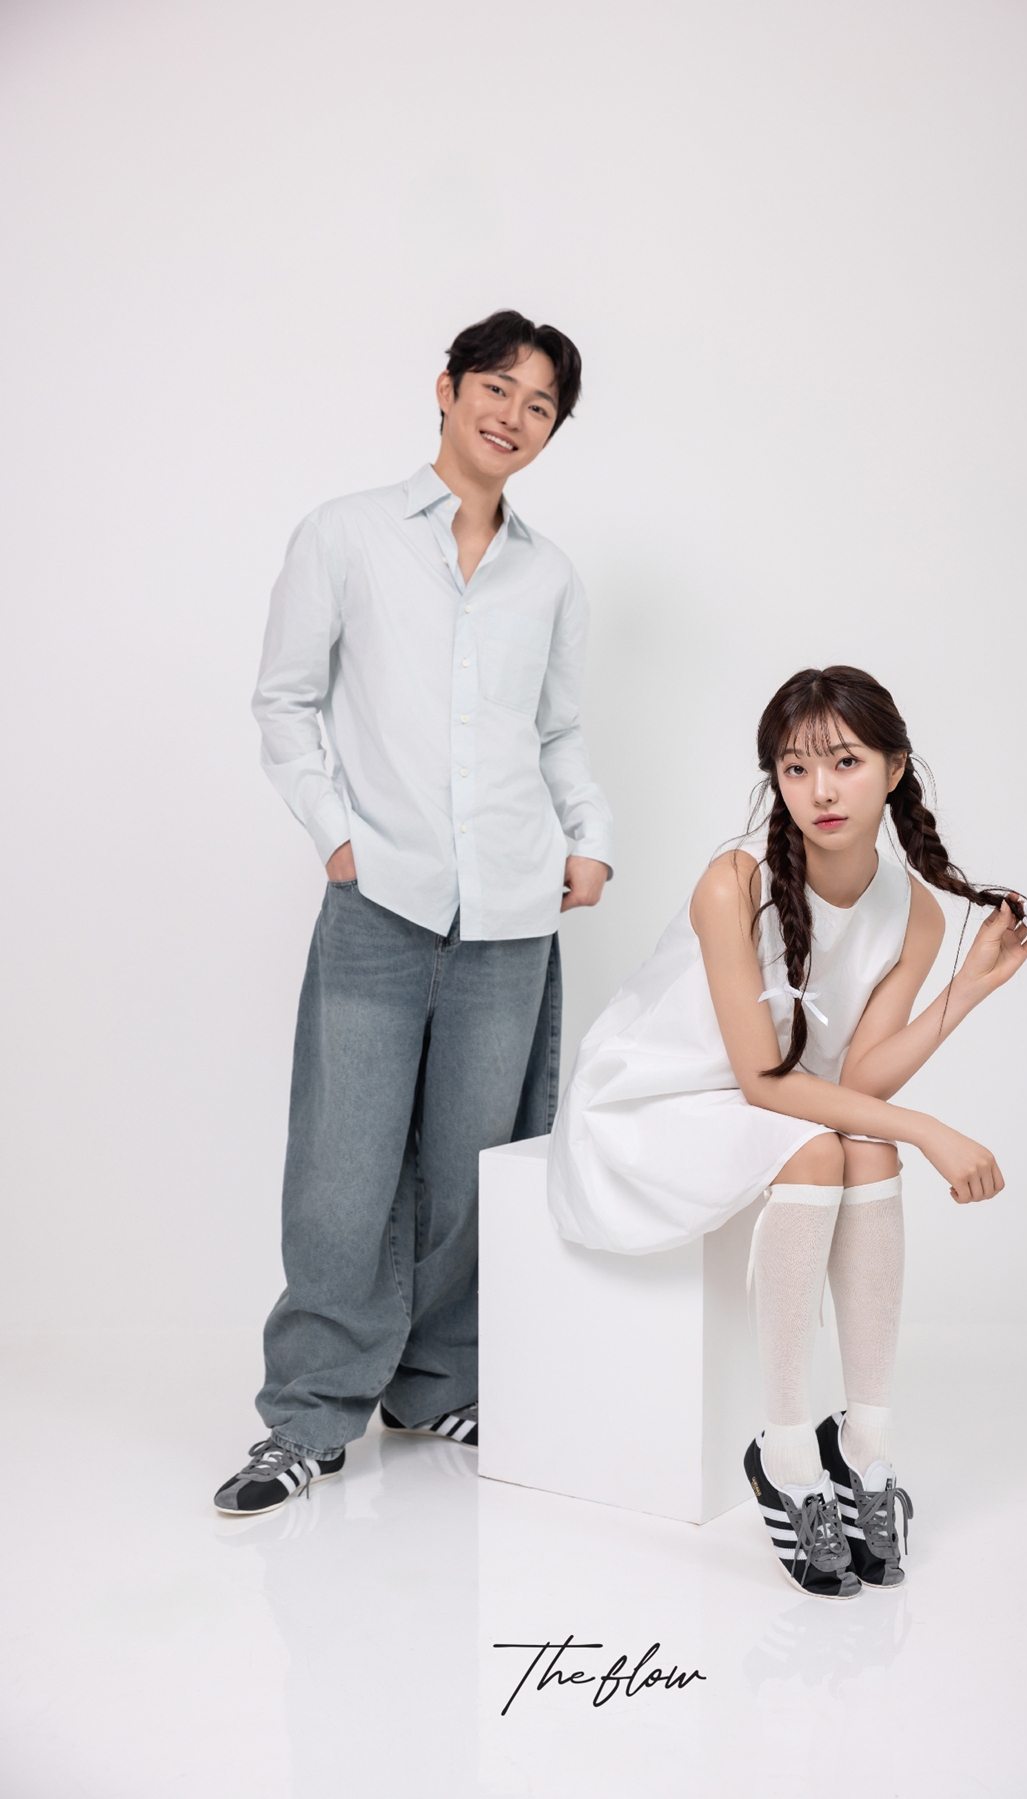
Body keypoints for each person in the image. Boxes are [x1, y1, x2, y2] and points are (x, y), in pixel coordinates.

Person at [549, 665, 1027, 1597]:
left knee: (864, 1141)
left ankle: (865, 1446)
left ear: (894, 767)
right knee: (826, 1143)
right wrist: (931, 1128)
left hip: (772, 1101)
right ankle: (788, 1453)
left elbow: (859, 1078)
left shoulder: (916, 912)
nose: (821, 789)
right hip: (653, 1099)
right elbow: (763, 1079)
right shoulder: (734, 882)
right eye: (795, 768)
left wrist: (964, 990)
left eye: (844, 761)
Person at [215, 310, 613, 1516]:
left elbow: (557, 729)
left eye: (540, 405)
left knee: (472, 1168)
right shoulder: (344, 534)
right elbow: (285, 701)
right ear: (446, 388)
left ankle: (438, 1381)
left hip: (512, 908)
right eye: (497, 387)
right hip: (378, 899)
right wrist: (334, 833)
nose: (513, 416)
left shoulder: (550, 574)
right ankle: (309, 1412)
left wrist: (589, 837)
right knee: (341, 1168)